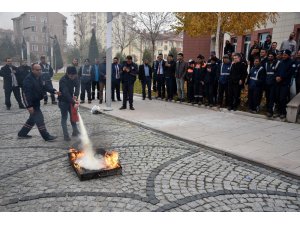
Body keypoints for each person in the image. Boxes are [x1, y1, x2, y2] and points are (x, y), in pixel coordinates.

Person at [17, 63, 59, 141]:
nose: (39, 71)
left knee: (32, 119)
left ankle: (22, 133)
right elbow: (26, 94)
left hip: (36, 101)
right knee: (39, 118)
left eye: (40, 70)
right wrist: (29, 106)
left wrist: (54, 91)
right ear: (32, 70)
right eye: (37, 70)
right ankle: (46, 136)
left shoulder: (39, 77)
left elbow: (45, 86)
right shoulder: (28, 80)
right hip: (31, 102)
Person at [58, 66, 80, 141]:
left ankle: (75, 131)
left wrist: (76, 95)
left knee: (73, 116)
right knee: (64, 118)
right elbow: (65, 93)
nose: (73, 77)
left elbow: (77, 86)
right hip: (63, 101)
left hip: (71, 100)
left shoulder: (75, 77)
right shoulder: (63, 80)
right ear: (67, 73)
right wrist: (73, 102)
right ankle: (66, 135)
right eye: (71, 75)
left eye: (74, 75)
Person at [276, 49, 295, 119]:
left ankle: (283, 112)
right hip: (278, 83)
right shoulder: (281, 62)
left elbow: (290, 73)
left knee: (282, 98)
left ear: (289, 56)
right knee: (277, 97)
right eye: (283, 55)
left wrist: (281, 77)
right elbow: (277, 70)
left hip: (285, 83)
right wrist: (277, 77)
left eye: (285, 55)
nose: (283, 56)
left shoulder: (292, 62)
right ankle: (278, 111)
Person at [264, 52, 280, 117]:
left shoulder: (277, 63)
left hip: (273, 84)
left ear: (274, 57)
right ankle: (268, 109)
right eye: (269, 56)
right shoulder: (266, 64)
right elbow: (265, 74)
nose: (270, 57)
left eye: (271, 56)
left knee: (271, 97)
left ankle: (270, 111)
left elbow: (278, 73)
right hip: (267, 83)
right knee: (267, 97)